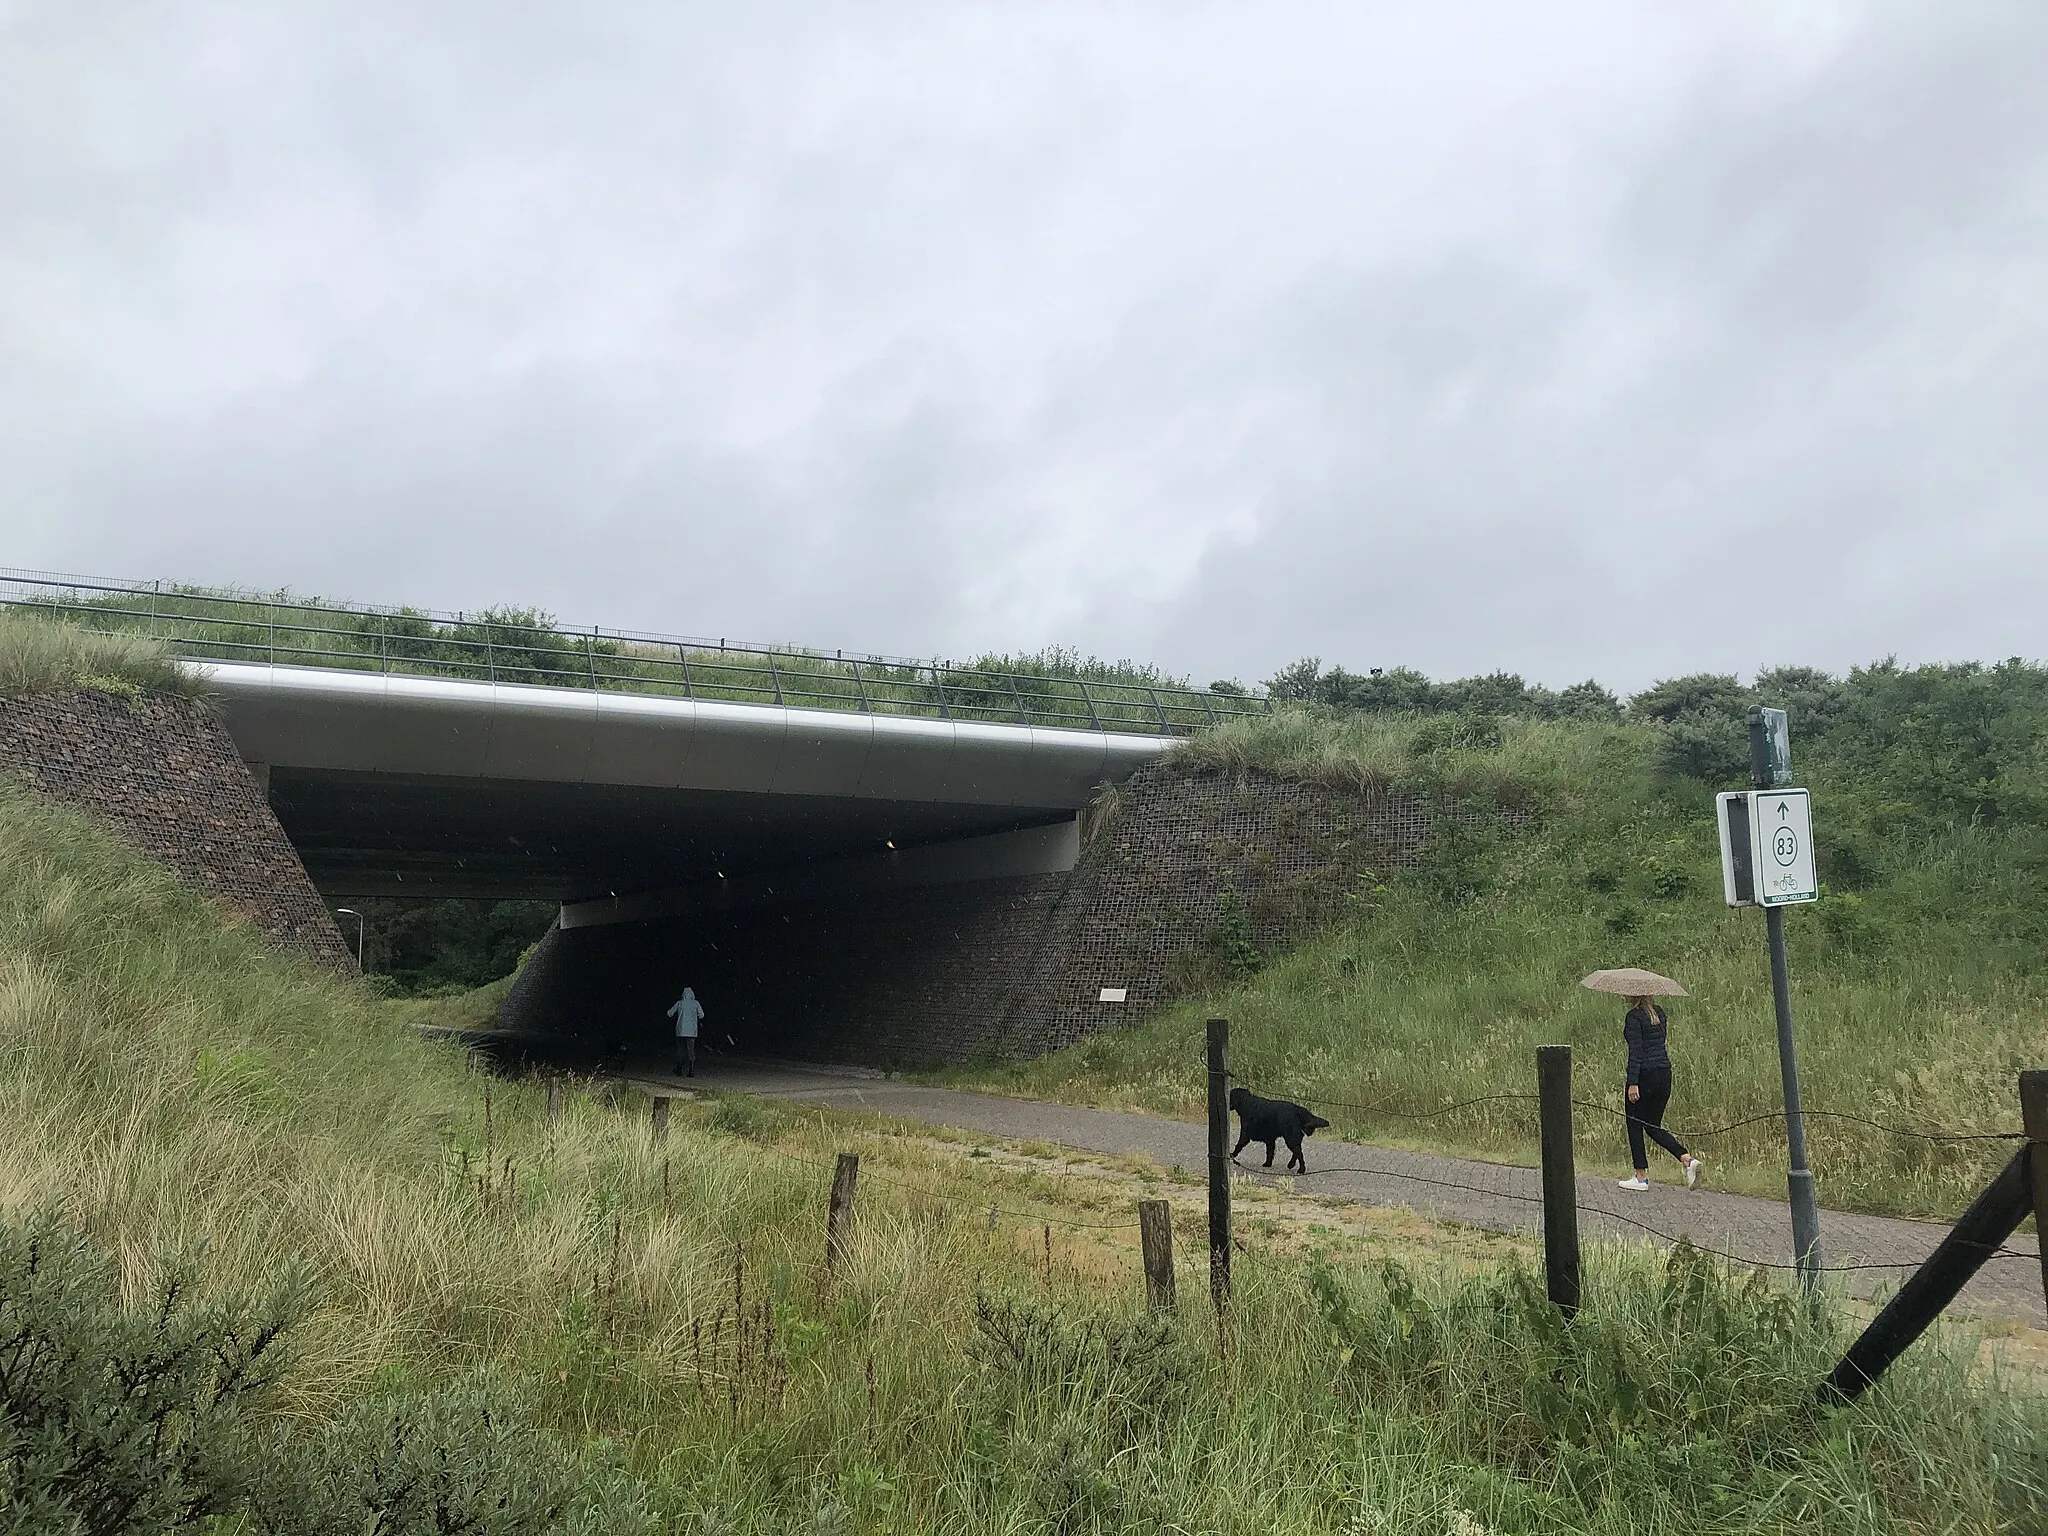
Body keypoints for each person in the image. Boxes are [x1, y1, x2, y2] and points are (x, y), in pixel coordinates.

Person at [1618, 993, 1703, 1191]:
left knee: (1634, 1122)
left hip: (1644, 1075)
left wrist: (1633, 1082)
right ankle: (1687, 1159)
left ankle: (1640, 1176)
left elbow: (1636, 1052)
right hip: (1664, 1073)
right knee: (1653, 1125)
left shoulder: (1634, 1017)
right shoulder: (1659, 1014)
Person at [666, 985, 705, 1078]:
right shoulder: (696, 1003)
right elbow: (702, 1015)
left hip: (680, 1031)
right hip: (692, 1032)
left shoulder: (679, 1003)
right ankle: (691, 1071)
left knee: (680, 1051)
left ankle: (679, 1070)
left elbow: (669, 1013)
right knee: (691, 1051)